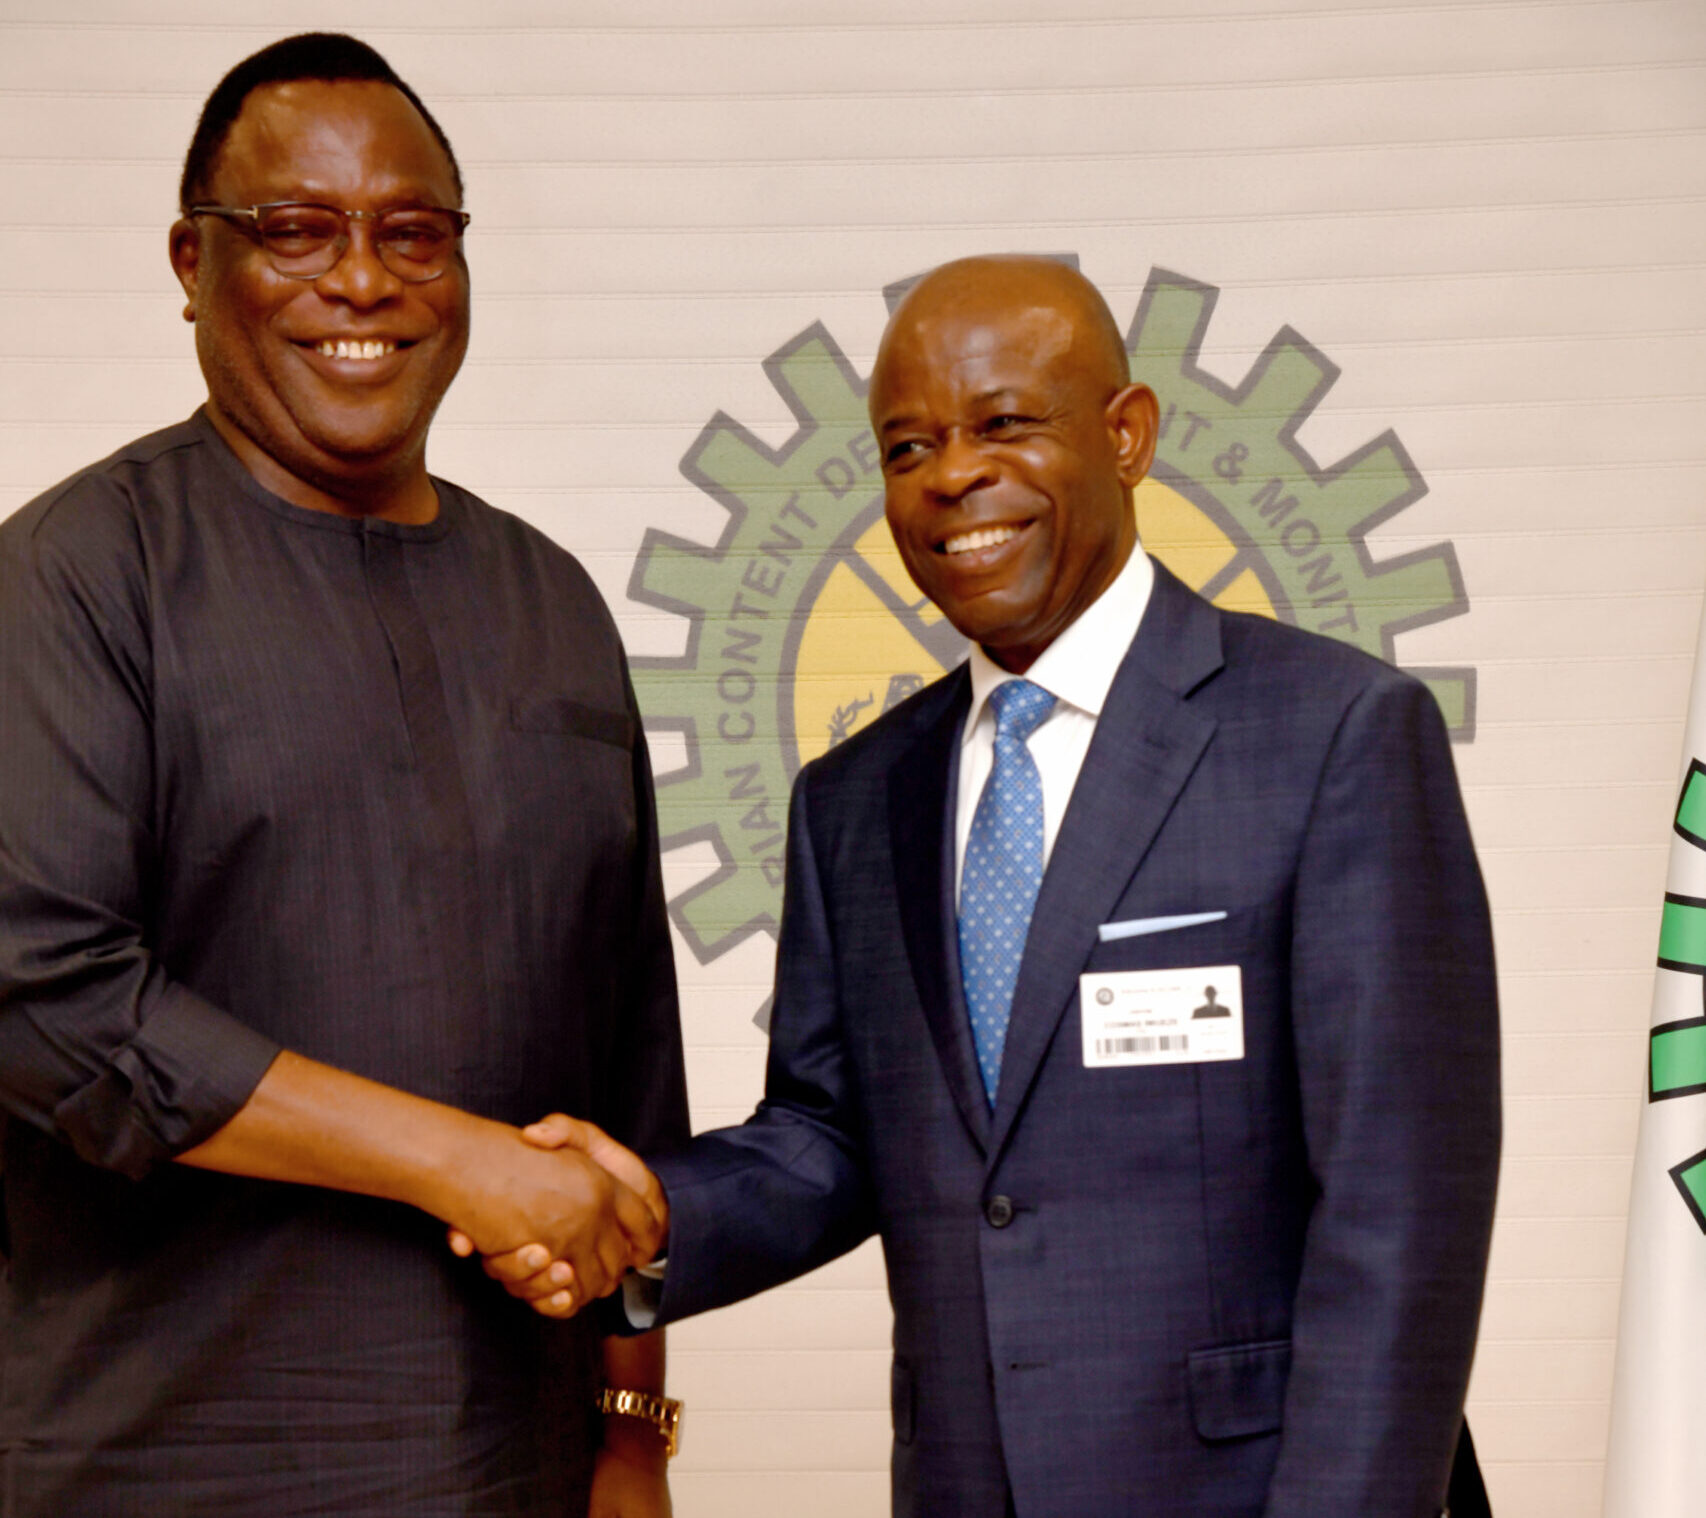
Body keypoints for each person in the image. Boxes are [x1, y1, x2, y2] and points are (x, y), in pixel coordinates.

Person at [483, 255, 1502, 1516]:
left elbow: (1402, 1214)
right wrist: (634, 1225)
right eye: (907, 448)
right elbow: (832, 1139)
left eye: (1004, 425)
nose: (952, 475)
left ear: (1126, 436)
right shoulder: (854, 797)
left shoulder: (1333, 734)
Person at [0, 33, 687, 1517]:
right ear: (193, 262)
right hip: (169, 1464)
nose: (363, 283)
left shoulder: (552, 599)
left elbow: (629, 1059)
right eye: (296, 231)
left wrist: (630, 1428)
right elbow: (46, 999)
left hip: (515, 1466)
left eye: (412, 234)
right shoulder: (76, 573)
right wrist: (460, 1164)